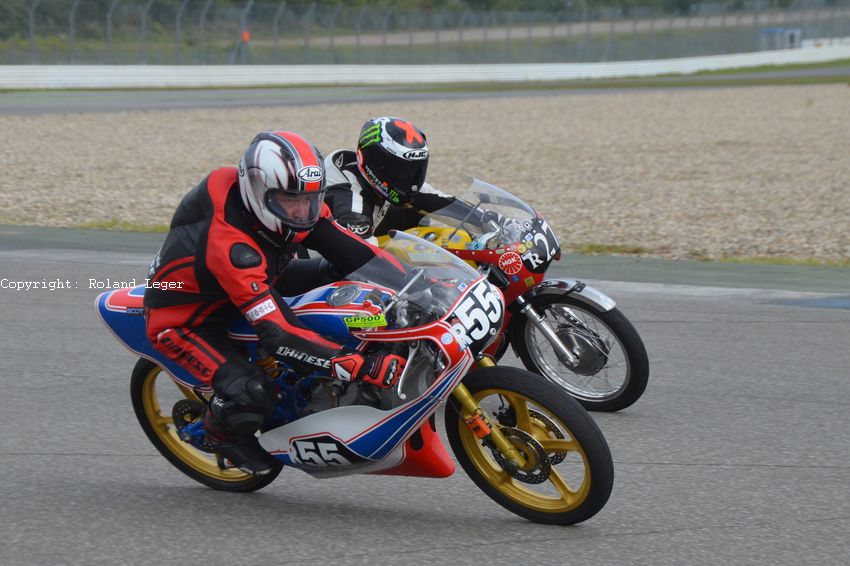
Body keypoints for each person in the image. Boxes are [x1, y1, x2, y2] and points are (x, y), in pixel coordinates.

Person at [144, 131, 407, 475]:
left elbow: (355, 252)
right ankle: (219, 429)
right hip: (187, 318)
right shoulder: (231, 244)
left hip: (255, 279)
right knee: (253, 391)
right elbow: (278, 333)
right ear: (257, 192)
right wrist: (352, 364)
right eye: (290, 201)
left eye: (311, 199)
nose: (302, 211)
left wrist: (414, 280)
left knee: (338, 272)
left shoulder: (286, 206)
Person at [323, 116, 463, 244]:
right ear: (373, 161)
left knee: (414, 213)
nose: (408, 177)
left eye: (413, 170)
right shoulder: (351, 207)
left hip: (364, 236)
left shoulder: (370, 177)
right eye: (400, 169)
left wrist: (483, 220)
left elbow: (440, 201)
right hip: (322, 264)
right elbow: (362, 260)